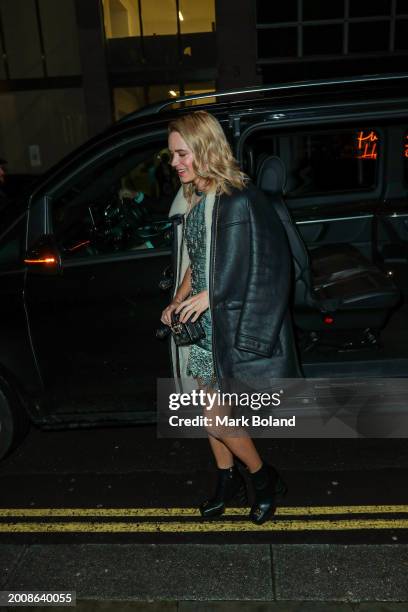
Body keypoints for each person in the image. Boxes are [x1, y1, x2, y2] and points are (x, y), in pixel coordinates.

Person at [161, 111, 301, 525]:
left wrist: (210, 296)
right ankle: (227, 480)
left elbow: (264, 266)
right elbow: (196, 258)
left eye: (181, 153)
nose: (174, 163)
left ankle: (261, 477)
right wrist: (180, 297)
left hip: (227, 322)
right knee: (208, 409)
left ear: (204, 149)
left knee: (211, 412)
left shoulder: (239, 199)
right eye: (172, 155)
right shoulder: (195, 199)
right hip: (202, 323)